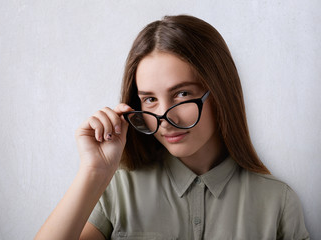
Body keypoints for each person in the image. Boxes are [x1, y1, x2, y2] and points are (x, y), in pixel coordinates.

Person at [35, 15, 309, 240]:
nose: (166, 119)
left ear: (220, 94)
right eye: (150, 99)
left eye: (182, 95)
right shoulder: (117, 190)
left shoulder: (278, 202)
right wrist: (93, 172)